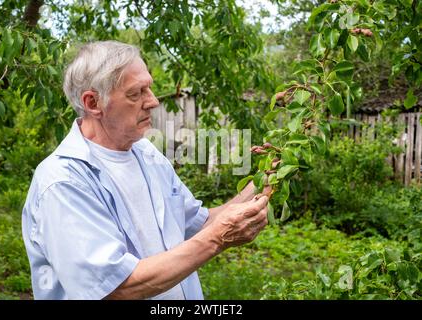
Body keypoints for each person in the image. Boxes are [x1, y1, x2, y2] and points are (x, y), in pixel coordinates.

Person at [22, 40, 270, 300]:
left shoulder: (147, 154)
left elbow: (200, 224)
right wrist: (218, 239)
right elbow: (116, 289)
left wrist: (266, 175)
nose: (152, 102)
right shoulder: (63, 183)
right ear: (93, 103)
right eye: (136, 93)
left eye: (149, 89)